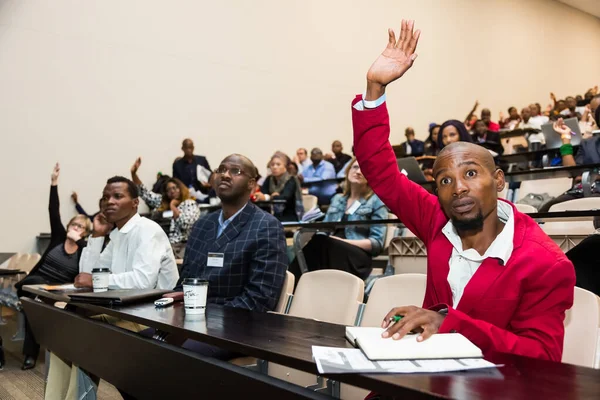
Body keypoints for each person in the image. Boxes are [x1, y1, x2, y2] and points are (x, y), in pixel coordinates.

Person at [353, 20, 574, 364]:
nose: (457, 187)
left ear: (499, 181)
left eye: (470, 173)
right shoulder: (435, 219)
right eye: (444, 180)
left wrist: (449, 325)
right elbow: (379, 171)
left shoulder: (546, 264)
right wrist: (374, 88)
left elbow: (541, 357)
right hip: (423, 378)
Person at [162, 154, 288, 359]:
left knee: (171, 358)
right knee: (134, 346)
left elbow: (259, 300)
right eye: (221, 170)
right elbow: (186, 281)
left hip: (238, 327)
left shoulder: (266, 227)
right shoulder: (203, 225)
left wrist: (201, 320)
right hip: (193, 320)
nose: (225, 175)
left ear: (252, 184)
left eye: (235, 171)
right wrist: (175, 300)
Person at [12, 163, 93, 370]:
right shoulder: (58, 236)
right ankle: (31, 352)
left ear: (84, 233)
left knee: (34, 308)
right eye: (74, 224)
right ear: (68, 226)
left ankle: (30, 356)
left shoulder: (84, 249)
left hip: (54, 291)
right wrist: (54, 183)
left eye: (80, 227)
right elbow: (53, 209)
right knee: (35, 286)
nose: (75, 228)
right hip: (33, 282)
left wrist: (80, 243)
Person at [288, 158, 388, 283]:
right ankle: (295, 285)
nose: (358, 172)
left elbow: (377, 243)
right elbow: (324, 229)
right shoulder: (337, 199)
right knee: (314, 242)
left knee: (322, 243)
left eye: (364, 170)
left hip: (357, 256)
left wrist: (342, 241)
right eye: (355, 167)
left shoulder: (376, 201)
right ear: (348, 171)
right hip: (330, 249)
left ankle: (291, 283)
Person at [75, 176, 179, 290]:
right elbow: (85, 278)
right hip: (127, 304)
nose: (109, 202)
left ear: (135, 202)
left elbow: (143, 281)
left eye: (117, 196)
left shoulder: (148, 230)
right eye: (105, 198)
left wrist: (96, 280)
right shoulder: (117, 235)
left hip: (158, 306)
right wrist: (97, 235)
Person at [130, 157, 201, 257]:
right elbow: (144, 193)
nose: (172, 191)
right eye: (168, 190)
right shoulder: (162, 202)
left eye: (174, 188)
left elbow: (185, 225)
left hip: (179, 247)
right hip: (158, 245)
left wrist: (173, 206)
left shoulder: (189, 204)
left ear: (180, 189)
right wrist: (134, 174)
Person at [538, 118, 600, 212]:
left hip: (595, 193)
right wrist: (565, 137)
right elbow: (573, 171)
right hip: (585, 189)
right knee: (550, 207)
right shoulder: (588, 143)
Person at [255, 152, 304, 222]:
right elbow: (263, 193)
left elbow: (285, 197)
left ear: (285, 166)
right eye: (272, 165)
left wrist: (269, 197)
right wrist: (264, 196)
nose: (275, 167)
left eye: (278, 165)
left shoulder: (292, 179)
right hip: (270, 213)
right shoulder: (269, 178)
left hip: (288, 215)